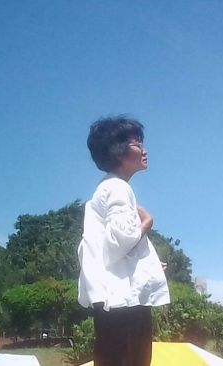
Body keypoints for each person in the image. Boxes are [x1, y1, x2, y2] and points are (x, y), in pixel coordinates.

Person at [78, 116, 170, 366]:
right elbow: (119, 241)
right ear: (117, 150)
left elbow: (107, 249)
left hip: (112, 303)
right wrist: (146, 224)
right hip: (125, 304)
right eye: (137, 143)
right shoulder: (118, 188)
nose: (144, 149)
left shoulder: (105, 187)